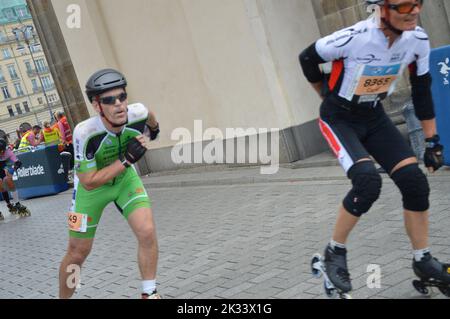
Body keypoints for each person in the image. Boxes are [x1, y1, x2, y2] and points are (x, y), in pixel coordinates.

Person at [299, 0, 450, 295]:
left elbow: (421, 90)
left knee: (415, 182)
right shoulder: (354, 37)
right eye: (405, 6)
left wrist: (433, 141)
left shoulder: (417, 40)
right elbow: (307, 58)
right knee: (367, 182)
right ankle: (333, 253)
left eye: (417, 3)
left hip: (374, 116)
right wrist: (325, 93)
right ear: (382, 9)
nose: (414, 12)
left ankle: (423, 260)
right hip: (339, 117)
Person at [58, 68, 161, 299]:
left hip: (124, 181)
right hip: (90, 191)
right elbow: (88, 182)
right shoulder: (85, 132)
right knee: (77, 252)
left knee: (147, 231)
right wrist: (126, 160)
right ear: (97, 106)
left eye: (122, 96)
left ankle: (149, 292)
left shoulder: (137, 112)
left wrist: (153, 132)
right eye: (109, 100)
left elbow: (150, 118)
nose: (119, 105)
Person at [0, 139, 29, 220]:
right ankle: (9, 204)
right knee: (1, 186)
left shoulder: (8, 152)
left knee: (8, 180)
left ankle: (17, 203)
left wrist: (12, 170)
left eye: (2, 151)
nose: (1, 153)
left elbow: (18, 163)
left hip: (7, 167)